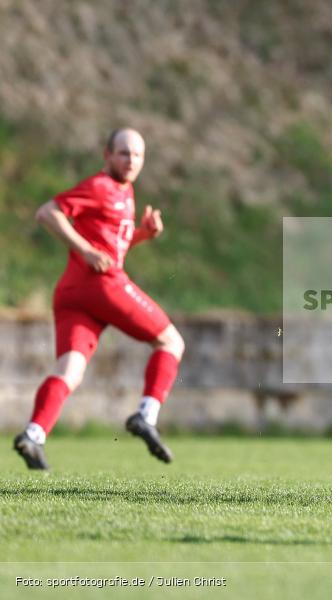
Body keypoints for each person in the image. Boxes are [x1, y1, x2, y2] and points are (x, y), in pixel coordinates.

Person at [13, 128, 185, 470]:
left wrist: (142, 235)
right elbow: (48, 212)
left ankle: (33, 436)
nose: (131, 160)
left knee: (70, 371)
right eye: (123, 153)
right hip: (100, 286)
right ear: (106, 155)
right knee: (171, 342)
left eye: (137, 155)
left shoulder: (125, 191)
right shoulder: (100, 186)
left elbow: (112, 249)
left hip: (74, 292)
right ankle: (146, 416)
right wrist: (86, 250)